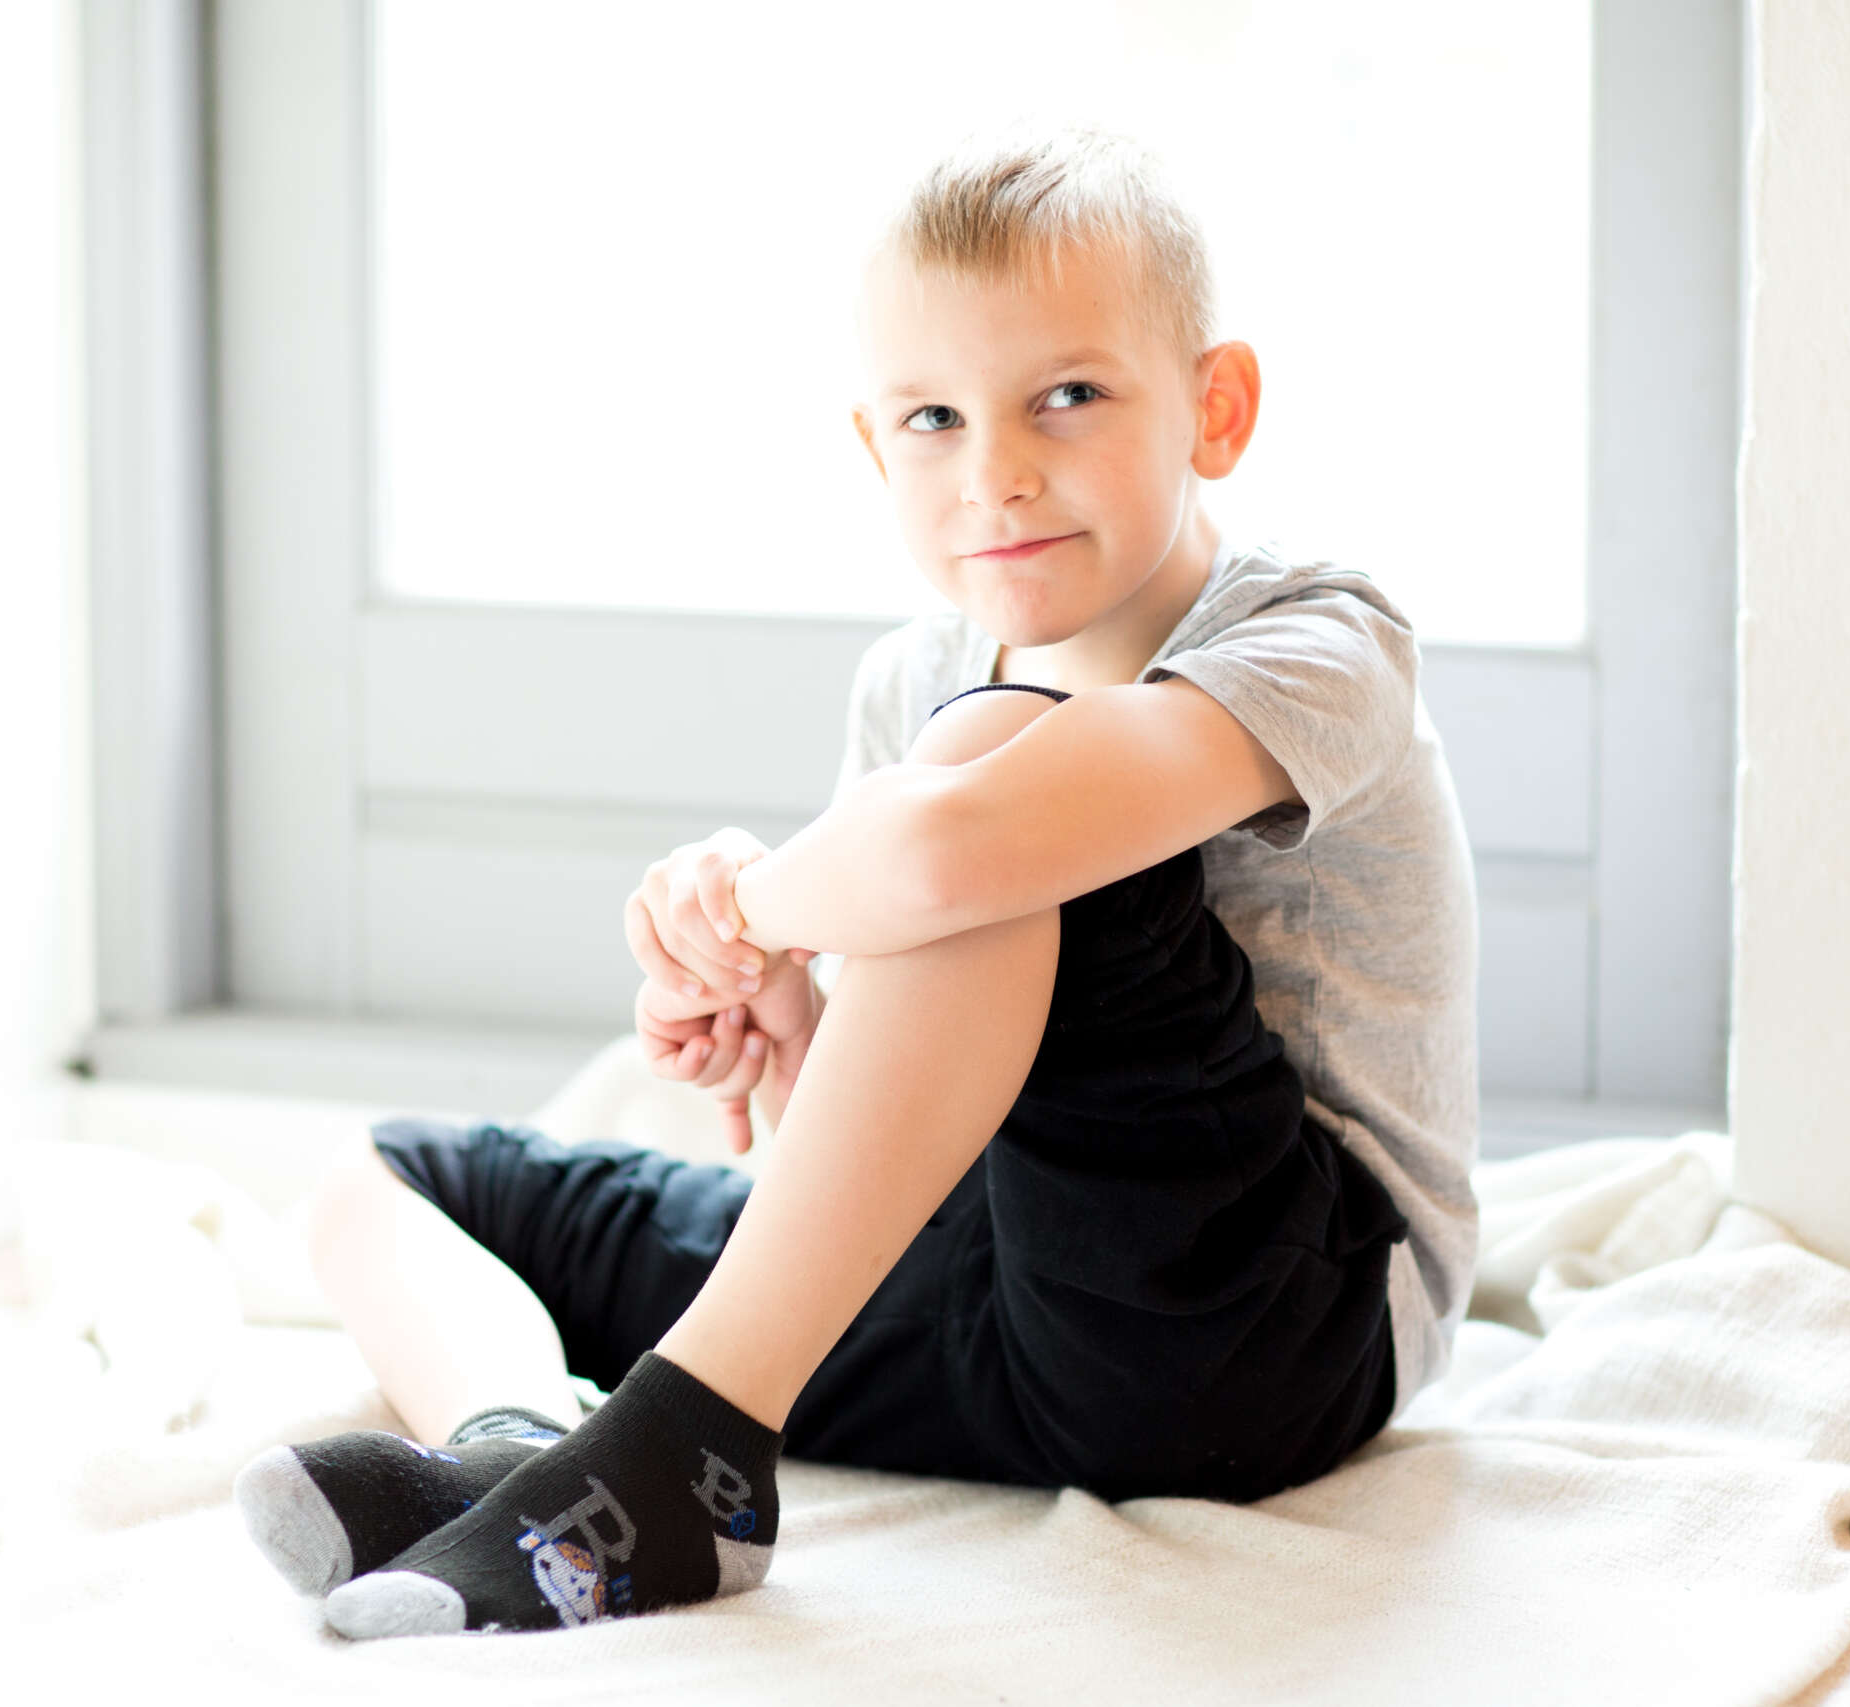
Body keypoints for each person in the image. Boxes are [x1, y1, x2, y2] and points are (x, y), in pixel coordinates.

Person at [232, 124, 1480, 1640]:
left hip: (1262, 1328)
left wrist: (752, 905)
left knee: (997, 766)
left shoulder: (1320, 636)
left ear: (1213, 410)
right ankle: (521, 1458)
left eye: (1069, 396)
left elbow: (950, 851)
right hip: (985, 1297)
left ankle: (693, 1451)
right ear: (877, 449)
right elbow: (892, 1125)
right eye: (934, 418)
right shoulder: (917, 678)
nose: (996, 472)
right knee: (394, 1180)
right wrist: (791, 1023)